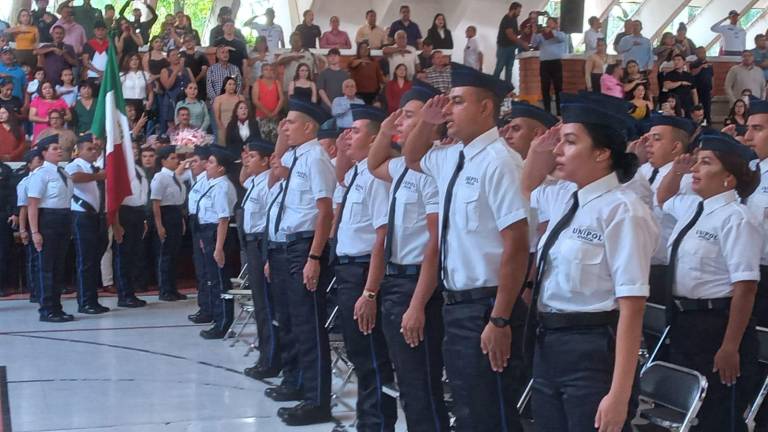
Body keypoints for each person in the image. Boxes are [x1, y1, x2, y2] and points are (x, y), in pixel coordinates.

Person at [520, 91, 658, 431]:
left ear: (601, 153)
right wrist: (539, 150)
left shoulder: (623, 211)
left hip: (593, 349)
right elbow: (523, 187)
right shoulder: (565, 197)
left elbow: (632, 307)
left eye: (569, 142)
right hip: (548, 342)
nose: (558, 150)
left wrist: (619, 394)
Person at [403, 63, 530, 431]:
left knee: (492, 409)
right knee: (469, 407)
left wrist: (501, 317)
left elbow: (517, 246)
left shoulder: (501, 162)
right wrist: (427, 121)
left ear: (485, 108)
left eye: (457, 102)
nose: (448, 110)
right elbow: (412, 157)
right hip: (456, 305)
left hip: (487, 305)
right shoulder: (452, 156)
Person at [657, 132, 761, 431]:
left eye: (705, 163)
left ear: (728, 177)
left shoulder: (736, 218)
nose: (695, 169)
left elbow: (745, 286)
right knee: (687, 412)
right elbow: (663, 198)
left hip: (717, 323)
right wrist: (677, 170)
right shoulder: (694, 207)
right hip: (684, 320)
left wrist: (731, 346)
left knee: (717, 414)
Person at [366, 80, 451, 432]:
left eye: (409, 117)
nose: (400, 121)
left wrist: (417, 304)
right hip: (396, 278)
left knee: (421, 383)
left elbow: (434, 242)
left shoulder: (432, 169)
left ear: (431, 122)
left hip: (419, 281)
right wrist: (385, 128)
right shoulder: (402, 166)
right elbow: (373, 165)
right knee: (407, 380)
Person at [332, 104, 398, 430]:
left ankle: (377, 424)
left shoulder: (376, 178)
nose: (347, 136)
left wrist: (370, 292)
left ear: (374, 140)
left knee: (372, 356)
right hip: (347, 272)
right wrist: (345, 150)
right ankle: (366, 420)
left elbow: (382, 236)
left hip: (363, 273)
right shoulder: (359, 171)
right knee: (359, 354)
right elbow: (340, 176)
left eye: (355, 131)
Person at [269, 99, 334, 426]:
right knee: (294, 321)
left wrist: (314, 256)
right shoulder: (296, 156)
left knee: (309, 326)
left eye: (291, 122)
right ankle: (301, 386)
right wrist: (281, 132)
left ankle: (317, 401)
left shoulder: (316, 158)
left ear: (309, 127)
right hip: (288, 245)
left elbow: (325, 210)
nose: (285, 127)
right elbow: (277, 160)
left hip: (306, 246)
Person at [634, 115, 694, 303]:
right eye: (648, 138)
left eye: (657, 139)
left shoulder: (688, 178)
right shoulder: (642, 171)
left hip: (664, 265)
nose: (649, 144)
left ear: (676, 147)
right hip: (636, 263)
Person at [240, 137, 282, 378]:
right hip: (251, 244)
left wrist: (266, 256)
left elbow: (268, 221)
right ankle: (265, 354)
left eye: (253, 156)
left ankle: (271, 359)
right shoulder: (254, 181)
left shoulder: (268, 183)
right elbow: (243, 178)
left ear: (267, 161)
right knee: (259, 304)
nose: (247, 159)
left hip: (261, 243)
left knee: (266, 305)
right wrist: (246, 157)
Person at [26, 134, 75, 322]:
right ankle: (46, 309)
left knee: (58, 266)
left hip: (63, 218)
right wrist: (35, 231)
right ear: (44, 152)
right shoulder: (41, 174)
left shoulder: (63, 172)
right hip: (48, 219)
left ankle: (57, 306)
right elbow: (32, 204)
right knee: (47, 267)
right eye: (54, 148)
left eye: (59, 148)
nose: (59, 151)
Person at [196, 146, 238, 339]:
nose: (207, 166)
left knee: (221, 281)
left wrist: (218, 247)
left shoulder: (221, 187)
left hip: (217, 234)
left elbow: (223, 219)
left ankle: (224, 323)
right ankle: (217, 318)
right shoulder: (213, 184)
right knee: (213, 279)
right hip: (209, 233)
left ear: (221, 168)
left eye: (211, 162)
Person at [66, 133, 110, 314]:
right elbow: (74, 177)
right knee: (85, 260)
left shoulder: (94, 168)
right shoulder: (75, 165)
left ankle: (92, 299)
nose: (93, 152)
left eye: (95, 149)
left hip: (95, 217)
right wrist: (98, 176)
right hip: (81, 217)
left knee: (93, 258)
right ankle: (85, 301)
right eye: (89, 149)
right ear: (79, 150)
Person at [111, 142, 149, 309]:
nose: (134, 152)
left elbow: (142, 196)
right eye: (130, 149)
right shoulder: (120, 171)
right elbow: (115, 199)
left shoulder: (138, 170)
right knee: (123, 256)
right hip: (125, 213)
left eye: (135, 149)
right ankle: (124, 294)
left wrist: (144, 219)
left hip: (138, 213)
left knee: (135, 254)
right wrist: (117, 224)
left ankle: (131, 292)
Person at [150, 145, 188, 302]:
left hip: (176, 213)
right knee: (165, 254)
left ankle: (173, 288)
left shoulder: (175, 176)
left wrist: (181, 220)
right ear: (163, 161)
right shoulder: (160, 177)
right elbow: (156, 203)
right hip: (165, 214)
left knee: (174, 254)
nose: (176, 160)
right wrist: (159, 225)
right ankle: (164, 289)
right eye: (172, 158)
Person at [15, 148, 44, 302]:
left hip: (44, 219)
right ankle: (35, 290)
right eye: (38, 162)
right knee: (34, 259)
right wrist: (22, 229)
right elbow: (23, 208)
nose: (41, 164)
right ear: (29, 165)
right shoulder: (25, 182)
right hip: (30, 222)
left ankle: (44, 289)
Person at [532, 17, 567, 115]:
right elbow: (534, 44)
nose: (548, 24)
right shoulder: (541, 35)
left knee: (558, 88)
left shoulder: (560, 34)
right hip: (544, 64)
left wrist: (551, 31)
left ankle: (560, 112)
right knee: (545, 88)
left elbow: (561, 39)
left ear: (556, 24)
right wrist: (535, 32)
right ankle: (547, 111)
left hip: (556, 63)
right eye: (547, 22)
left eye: (551, 22)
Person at [159, 47, 194, 135]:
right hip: (171, 102)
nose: (176, 57)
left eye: (177, 54)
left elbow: (194, 85)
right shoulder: (165, 70)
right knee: (172, 128)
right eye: (173, 55)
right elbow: (167, 86)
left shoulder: (187, 69)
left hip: (186, 101)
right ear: (168, 58)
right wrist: (176, 71)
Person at [494, 2, 526, 84]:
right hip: (503, 48)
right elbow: (511, 35)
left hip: (511, 47)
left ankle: (507, 89)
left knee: (509, 69)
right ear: (513, 9)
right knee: (499, 68)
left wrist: (523, 32)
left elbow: (514, 33)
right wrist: (522, 43)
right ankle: (492, 87)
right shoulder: (507, 19)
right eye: (518, 11)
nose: (519, 13)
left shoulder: (514, 19)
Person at [251, 63, 283, 143]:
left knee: (275, 140)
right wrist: (268, 113)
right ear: (262, 72)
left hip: (275, 116)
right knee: (263, 140)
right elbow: (255, 100)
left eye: (271, 69)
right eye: (266, 69)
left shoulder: (277, 82)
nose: (269, 71)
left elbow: (282, 98)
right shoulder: (257, 83)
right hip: (261, 116)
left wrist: (275, 112)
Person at [662, 53, 698, 118]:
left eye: (679, 60)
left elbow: (694, 92)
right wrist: (680, 83)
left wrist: (696, 106)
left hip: (688, 104)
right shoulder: (669, 75)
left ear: (684, 62)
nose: (676, 62)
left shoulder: (689, 75)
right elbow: (667, 86)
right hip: (674, 105)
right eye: (674, 60)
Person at [120, 53, 153, 119]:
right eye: (132, 60)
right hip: (127, 104)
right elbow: (118, 91)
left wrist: (150, 102)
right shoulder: (122, 75)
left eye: (136, 59)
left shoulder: (145, 75)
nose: (134, 62)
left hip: (141, 103)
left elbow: (150, 91)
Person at [213, 76, 245, 144]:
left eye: (234, 84)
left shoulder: (240, 97)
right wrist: (223, 130)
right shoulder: (218, 99)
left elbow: (244, 114)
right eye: (229, 84)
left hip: (239, 129)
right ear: (225, 86)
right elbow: (217, 118)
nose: (232, 86)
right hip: (224, 129)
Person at [317, 48, 349, 112]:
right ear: (328, 58)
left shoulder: (345, 74)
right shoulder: (323, 73)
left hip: (341, 108)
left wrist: (342, 106)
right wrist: (330, 105)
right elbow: (321, 91)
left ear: (339, 57)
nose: (333, 58)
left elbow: (347, 92)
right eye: (330, 56)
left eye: (335, 55)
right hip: (326, 108)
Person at [180, 34, 209, 103]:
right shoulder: (181, 54)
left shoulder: (201, 54)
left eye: (190, 40)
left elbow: (204, 70)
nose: (188, 43)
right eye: (186, 41)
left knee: (200, 102)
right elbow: (181, 67)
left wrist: (195, 81)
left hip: (199, 83)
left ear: (194, 42)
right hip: (185, 83)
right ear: (183, 44)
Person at [690, 46, 714, 125]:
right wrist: (701, 67)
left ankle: (707, 125)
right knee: (698, 109)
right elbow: (693, 73)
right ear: (696, 54)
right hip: (697, 90)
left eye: (704, 52)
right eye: (700, 52)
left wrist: (712, 88)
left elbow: (712, 77)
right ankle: (698, 124)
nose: (703, 54)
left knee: (707, 109)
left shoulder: (709, 64)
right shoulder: (694, 64)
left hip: (707, 90)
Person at [81, 20, 109, 85]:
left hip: (107, 76)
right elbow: (85, 62)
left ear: (106, 31)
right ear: (94, 31)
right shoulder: (88, 44)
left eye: (102, 30)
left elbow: (114, 61)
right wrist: (98, 72)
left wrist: (105, 73)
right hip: (91, 75)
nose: (100, 32)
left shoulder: (110, 45)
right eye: (98, 30)